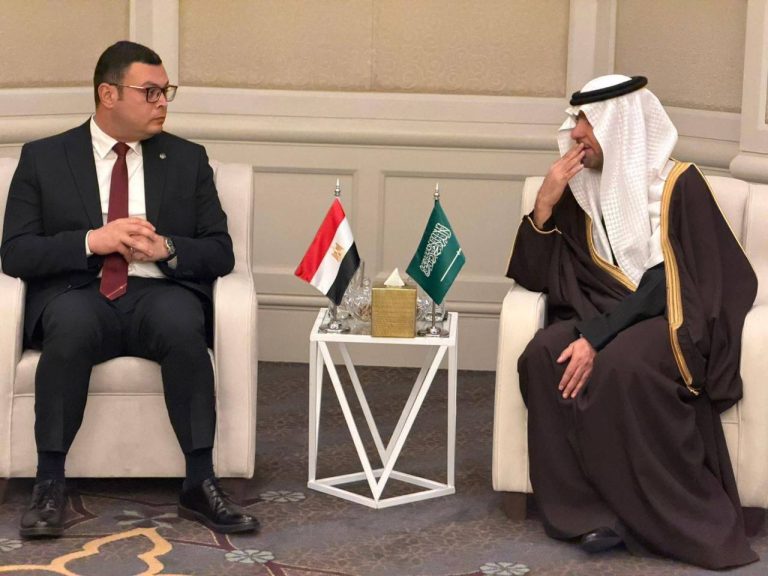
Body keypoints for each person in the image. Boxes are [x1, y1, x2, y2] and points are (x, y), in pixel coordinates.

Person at [1, 41, 259, 537]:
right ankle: (49, 482)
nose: (163, 103)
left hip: (157, 291)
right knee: (69, 329)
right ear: (109, 94)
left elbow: (220, 251)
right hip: (79, 291)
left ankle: (200, 481)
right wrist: (92, 242)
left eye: (166, 92)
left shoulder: (187, 159)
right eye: (150, 92)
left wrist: (165, 247)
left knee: (183, 325)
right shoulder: (43, 158)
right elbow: (15, 252)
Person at [506, 75, 758, 569]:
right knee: (543, 355)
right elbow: (536, 276)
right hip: (600, 313)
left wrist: (596, 338)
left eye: (587, 122)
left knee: (622, 366)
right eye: (575, 120)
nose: (576, 133)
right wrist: (545, 204)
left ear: (619, 126)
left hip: (671, 318)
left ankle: (669, 520)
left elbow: (672, 282)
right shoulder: (579, 194)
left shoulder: (678, 185)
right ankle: (586, 514)